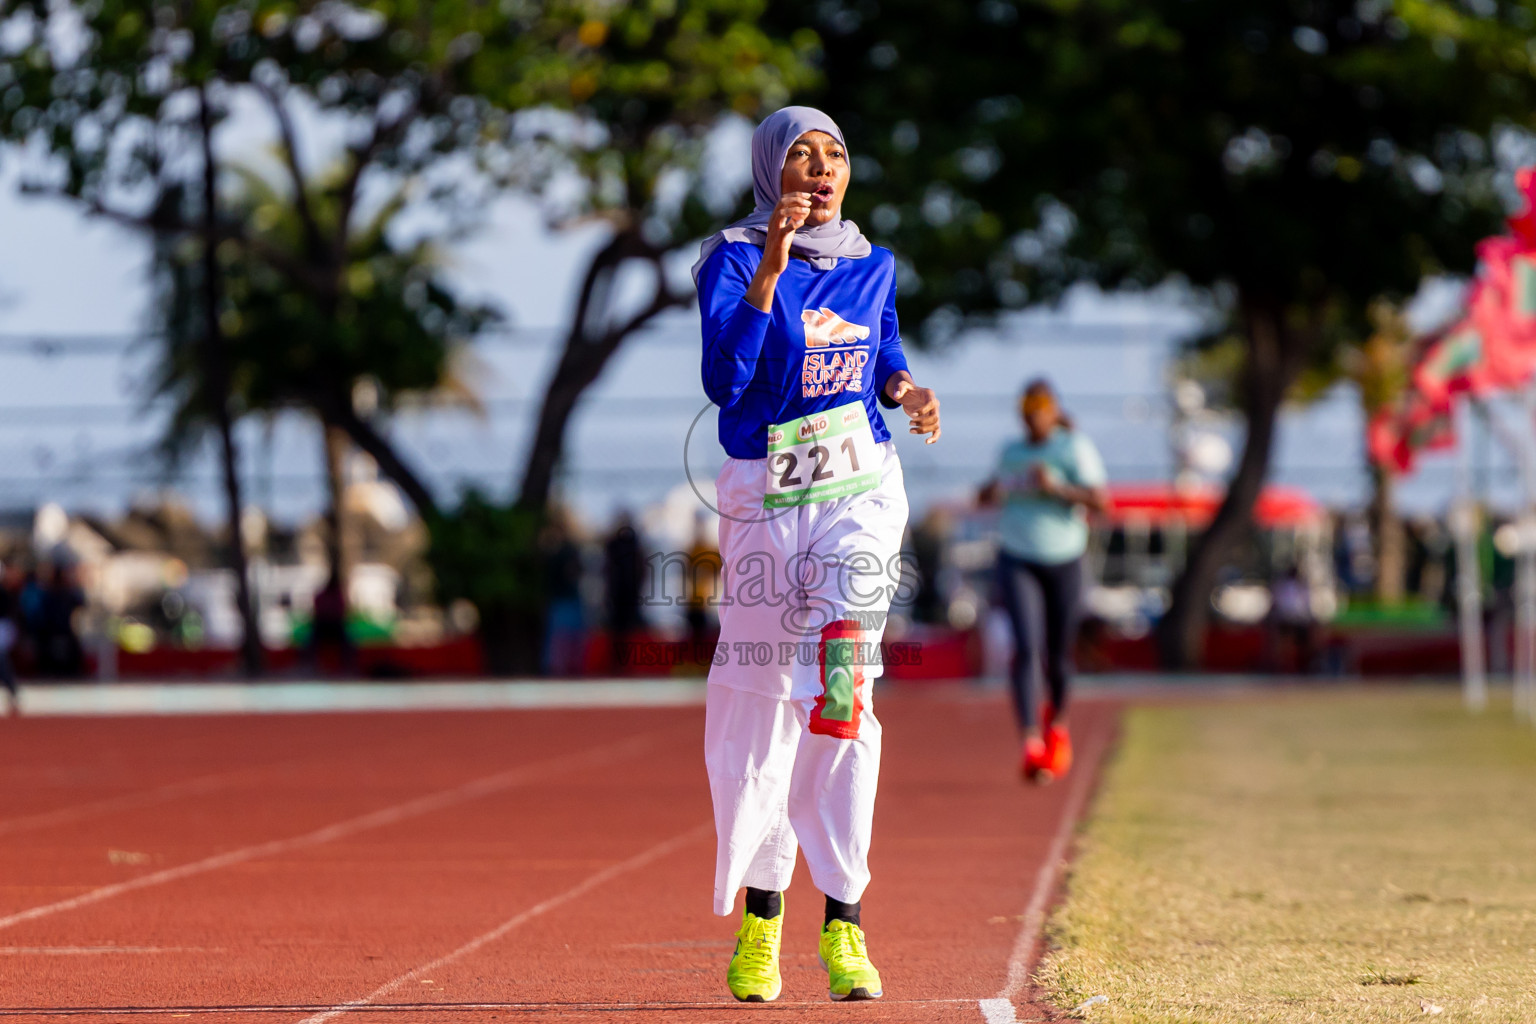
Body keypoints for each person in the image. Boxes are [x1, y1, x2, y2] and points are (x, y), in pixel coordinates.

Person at [695, 106, 940, 1003]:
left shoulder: (872, 264)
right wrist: (769, 266)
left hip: (858, 491)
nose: (820, 169)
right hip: (765, 496)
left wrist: (907, 388)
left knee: (842, 688)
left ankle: (845, 924)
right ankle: (764, 924)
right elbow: (728, 381)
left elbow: (884, 351)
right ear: (770, 172)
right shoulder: (727, 259)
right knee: (768, 705)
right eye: (800, 156)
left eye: (834, 155)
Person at [980, 380, 1107, 783]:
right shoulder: (1011, 453)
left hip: (1065, 557)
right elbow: (985, 496)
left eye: (1040, 408)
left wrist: (1057, 487)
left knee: (1058, 651)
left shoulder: (1073, 448)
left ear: (1053, 411)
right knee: (1026, 646)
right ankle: (1030, 743)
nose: (1033, 416)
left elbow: (1102, 501)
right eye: (1027, 408)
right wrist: (994, 489)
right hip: (1017, 556)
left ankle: (1058, 724)